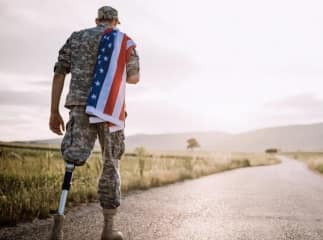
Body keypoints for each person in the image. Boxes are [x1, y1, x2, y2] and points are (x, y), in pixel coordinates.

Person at [49, 6, 140, 240]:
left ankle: (57, 228)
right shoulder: (123, 41)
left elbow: (59, 73)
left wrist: (54, 111)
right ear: (116, 22)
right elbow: (134, 78)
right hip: (109, 110)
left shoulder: (77, 37)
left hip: (79, 106)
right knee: (111, 163)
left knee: (71, 160)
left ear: (97, 19)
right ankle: (108, 230)